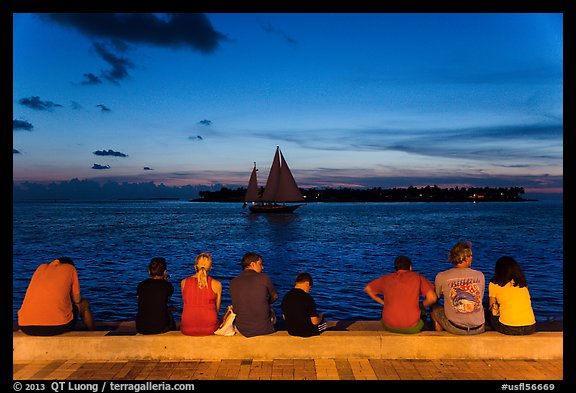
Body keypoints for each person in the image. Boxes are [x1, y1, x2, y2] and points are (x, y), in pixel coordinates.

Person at [18, 257, 95, 336]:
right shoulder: (70, 268)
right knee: (84, 304)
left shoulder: (40, 268)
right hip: (56, 327)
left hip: (25, 327)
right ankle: (94, 334)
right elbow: (77, 300)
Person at [364, 255, 437, 334]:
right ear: (410, 267)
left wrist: (384, 303)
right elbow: (432, 298)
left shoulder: (386, 278)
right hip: (412, 328)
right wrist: (420, 305)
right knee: (427, 308)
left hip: (388, 326)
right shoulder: (417, 277)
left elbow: (368, 289)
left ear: (396, 267)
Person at [430, 241, 485, 335]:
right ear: (465, 257)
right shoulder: (480, 275)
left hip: (456, 328)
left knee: (434, 308)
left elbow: (436, 297)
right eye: (470, 255)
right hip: (479, 327)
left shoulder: (442, 276)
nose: (472, 258)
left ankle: (439, 337)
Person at [229, 252, 278, 337]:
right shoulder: (263, 278)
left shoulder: (233, 282)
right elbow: (275, 296)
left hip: (242, 329)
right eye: (260, 264)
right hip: (264, 329)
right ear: (252, 264)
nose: (262, 267)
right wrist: (266, 302)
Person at [488, 256, 536, 335]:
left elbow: (493, 309)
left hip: (509, 328)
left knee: (491, 306)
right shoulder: (522, 283)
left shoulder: (494, 283)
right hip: (530, 327)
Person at [180, 252, 222, 336]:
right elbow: (217, 309)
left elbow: (186, 304)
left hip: (187, 328)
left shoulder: (184, 282)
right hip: (210, 328)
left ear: (195, 266)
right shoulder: (217, 284)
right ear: (210, 268)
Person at [136, 257, 175, 334]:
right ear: (164, 272)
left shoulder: (141, 285)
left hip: (141, 327)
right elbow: (163, 301)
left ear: (149, 271)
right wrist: (165, 282)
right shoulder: (168, 286)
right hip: (160, 327)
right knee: (170, 315)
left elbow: (142, 301)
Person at [281, 272, 327, 337]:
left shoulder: (286, 296)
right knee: (324, 323)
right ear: (307, 283)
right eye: (310, 288)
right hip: (306, 332)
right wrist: (321, 316)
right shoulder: (307, 298)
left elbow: (284, 317)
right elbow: (314, 321)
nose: (309, 290)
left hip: (291, 331)